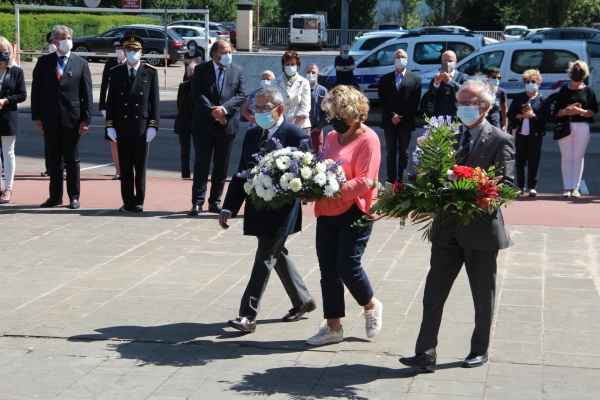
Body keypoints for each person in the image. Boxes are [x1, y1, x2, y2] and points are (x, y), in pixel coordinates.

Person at [400, 76, 515, 371]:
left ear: (486, 106)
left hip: (480, 230)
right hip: (446, 228)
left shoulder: (501, 140)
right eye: (460, 103)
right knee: (433, 292)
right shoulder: (446, 136)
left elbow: (506, 187)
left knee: (482, 295)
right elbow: (429, 176)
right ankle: (425, 352)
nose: (463, 108)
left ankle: (479, 349)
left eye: (470, 103)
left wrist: (471, 185)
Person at [218, 87, 316, 333]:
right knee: (275, 253)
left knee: (264, 258)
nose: (258, 113)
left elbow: (306, 177)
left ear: (279, 109)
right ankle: (303, 300)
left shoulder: (295, 135)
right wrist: (229, 206)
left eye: (264, 108)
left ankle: (247, 315)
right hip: (258, 206)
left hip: (282, 209)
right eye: (255, 108)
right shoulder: (252, 134)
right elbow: (241, 173)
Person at [306, 85, 383, 346]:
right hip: (326, 212)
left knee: (347, 266)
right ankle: (333, 328)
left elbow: (365, 182)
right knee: (329, 271)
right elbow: (322, 170)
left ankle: (371, 305)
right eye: (333, 114)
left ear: (355, 113)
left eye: (341, 115)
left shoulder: (369, 139)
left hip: (354, 210)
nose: (335, 120)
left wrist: (329, 191)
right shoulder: (330, 137)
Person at [31, 24, 93, 210]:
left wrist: (86, 119)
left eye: (69, 38)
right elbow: (36, 92)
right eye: (64, 38)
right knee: (54, 159)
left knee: (72, 159)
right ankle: (55, 197)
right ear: (55, 41)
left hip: (73, 119)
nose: (68, 41)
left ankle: (74, 196)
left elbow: (87, 95)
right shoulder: (44, 63)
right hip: (50, 118)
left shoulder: (81, 63)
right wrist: (37, 116)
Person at [189, 40, 246, 215]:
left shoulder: (238, 71)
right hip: (204, 124)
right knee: (202, 165)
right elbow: (197, 93)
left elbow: (241, 95)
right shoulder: (201, 69)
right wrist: (214, 112)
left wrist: (224, 111)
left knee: (222, 166)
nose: (227, 55)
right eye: (223, 52)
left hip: (227, 126)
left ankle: (215, 201)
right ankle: (197, 202)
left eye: (229, 52)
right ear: (214, 54)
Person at [105, 35, 160, 213]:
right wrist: (109, 125)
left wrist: (153, 125)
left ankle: (139, 201)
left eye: (135, 51)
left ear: (141, 52)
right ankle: (128, 201)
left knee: (140, 167)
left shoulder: (150, 71)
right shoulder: (116, 71)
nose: (132, 53)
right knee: (126, 167)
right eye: (128, 50)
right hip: (122, 125)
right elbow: (111, 101)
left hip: (141, 126)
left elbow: (155, 101)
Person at [554, 60, 598, 198]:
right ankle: (567, 188)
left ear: (584, 74)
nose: (577, 73)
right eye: (575, 70)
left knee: (578, 157)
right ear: (570, 72)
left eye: (580, 70)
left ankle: (575, 188)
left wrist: (580, 111)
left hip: (582, 127)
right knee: (566, 157)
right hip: (565, 126)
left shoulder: (588, 90)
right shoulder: (563, 90)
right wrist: (567, 111)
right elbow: (557, 112)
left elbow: (592, 111)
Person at [378, 49, 422, 183]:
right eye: (398, 57)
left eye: (403, 57)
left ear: (407, 60)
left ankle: (402, 179)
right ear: (393, 60)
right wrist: (392, 116)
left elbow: (415, 101)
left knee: (404, 153)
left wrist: (401, 117)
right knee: (391, 153)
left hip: (405, 122)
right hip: (389, 121)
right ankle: (391, 180)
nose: (400, 59)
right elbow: (382, 100)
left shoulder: (415, 79)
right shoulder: (384, 79)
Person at [507, 69, 549, 197]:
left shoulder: (543, 99)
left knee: (533, 161)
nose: (530, 83)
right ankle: (520, 186)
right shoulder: (519, 97)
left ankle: (532, 187)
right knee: (520, 161)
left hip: (535, 135)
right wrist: (521, 115)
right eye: (527, 81)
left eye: (533, 81)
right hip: (520, 134)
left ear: (538, 83)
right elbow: (510, 114)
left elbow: (547, 117)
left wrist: (534, 116)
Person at [0, 36, 27, 204]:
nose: (3, 55)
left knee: (8, 153)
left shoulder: (16, 71)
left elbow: (22, 94)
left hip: (8, 116)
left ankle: (8, 188)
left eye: (5, 52)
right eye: (0, 52)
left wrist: (6, 100)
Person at [99, 39, 126, 180]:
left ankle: (127, 170)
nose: (119, 50)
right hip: (112, 107)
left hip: (128, 108)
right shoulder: (110, 64)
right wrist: (102, 106)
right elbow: (104, 86)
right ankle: (118, 170)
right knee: (113, 139)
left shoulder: (131, 64)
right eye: (117, 48)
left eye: (122, 48)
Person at [422, 50, 468, 118]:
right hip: (439, 119)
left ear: (455, 62)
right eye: (444, 61)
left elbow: (465, 93)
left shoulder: (462, 77)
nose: (447, 63)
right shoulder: (437, 77)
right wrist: (435, 85)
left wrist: (449, 81)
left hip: (456, 119)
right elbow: (428, 98)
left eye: (450, 61)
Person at [272, 51, 311, 131]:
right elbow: (272, 105)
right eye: (287, 64)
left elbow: (305, 107)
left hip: (301, 126)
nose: (290, 66)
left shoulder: (304, 82)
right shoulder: (275, 82)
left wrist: (292, 123)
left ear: (298, 66)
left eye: (293, 64)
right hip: (279, 125)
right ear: (283, 66)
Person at [174, 61, 197, 179]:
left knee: (199, 151)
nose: (192, 73)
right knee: (184, 151)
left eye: (194, 71)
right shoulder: (183, 86)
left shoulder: (202, 86)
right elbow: (179, 104)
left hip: (197, 123)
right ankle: (185, 175)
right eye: (190, 71)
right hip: (184, 123)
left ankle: (198, 175)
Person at [305, 63, 330, 153]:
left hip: (315, 131)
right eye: (308, 72)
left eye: (313, 72)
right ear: (304, 73)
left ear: (317, 75)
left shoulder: (322, 91)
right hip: (301, 129)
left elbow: (328, 111)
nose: (310, 74)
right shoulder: (300, 89)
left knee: (316, 157)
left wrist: (320, 126)